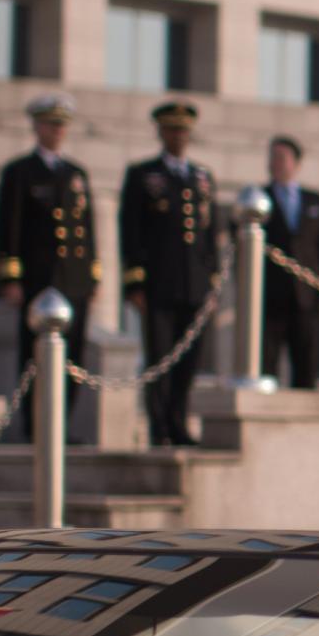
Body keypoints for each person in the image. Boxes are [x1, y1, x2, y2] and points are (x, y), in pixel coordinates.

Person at [0, 93, 99, 435]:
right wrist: (11, 277)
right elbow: (8, 227)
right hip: (38, 279)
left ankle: (61, 425)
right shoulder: (20, 172)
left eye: (61, 126)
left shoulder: (76, 173)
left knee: (74, 356)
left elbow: (88, 229)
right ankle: (34, 425)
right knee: (34, 357)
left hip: (73, 280)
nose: (56, 131)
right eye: (50, 125)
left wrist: (92, 277)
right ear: (37, 127)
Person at [119, 100, 219, 447]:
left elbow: (210, 234)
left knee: (189, 360)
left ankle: (179, 421)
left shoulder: (202, 177)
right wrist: (134, 282)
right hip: (158, 284)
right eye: (172, 130)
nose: (179, 136)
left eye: (184, 131)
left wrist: (213, 280)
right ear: (161, 132)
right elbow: (130, 231)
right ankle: (159, 425)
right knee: (160, 356)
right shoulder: (144, 175)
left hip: (194, 285)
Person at [260, 135, 319, 389]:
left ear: (296, 163)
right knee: (266, 362)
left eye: (281, 157)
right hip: (270, 296)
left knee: (307, 360)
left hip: (307, 296)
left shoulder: (315, 201)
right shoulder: (257, 198)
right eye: (272, 157)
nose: (275, 163)